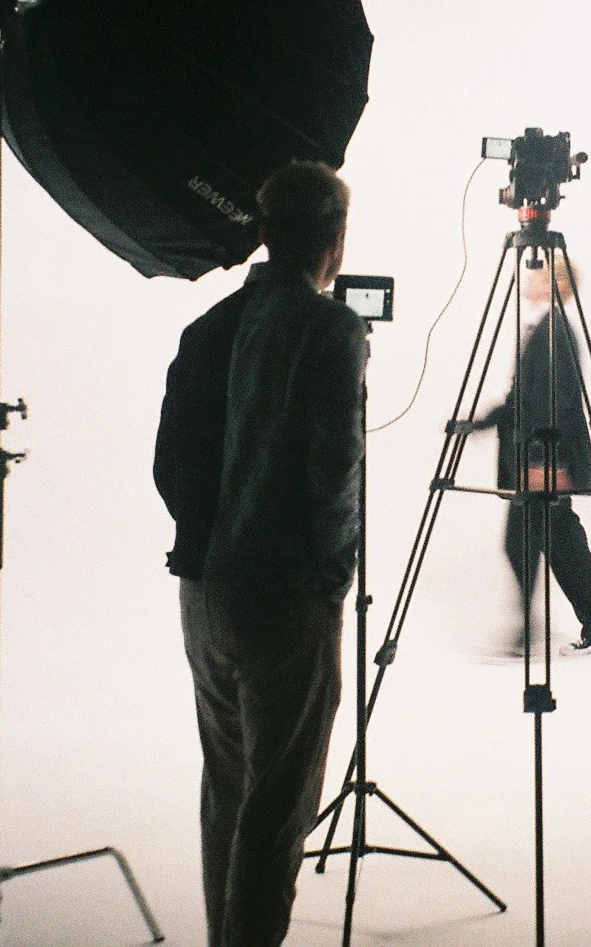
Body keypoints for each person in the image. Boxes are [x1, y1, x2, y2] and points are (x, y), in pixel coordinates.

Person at [152, 160, 365, 947]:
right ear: (333, 242)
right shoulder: (332, 330)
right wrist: (331, 579)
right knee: (279, 806)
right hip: (282, 598)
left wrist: (203, 544)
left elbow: (169, 463)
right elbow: (334, 472)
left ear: (265, 234)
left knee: (229, 788)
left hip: (201, 589)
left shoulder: (205, 329)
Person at [471, 257, 591, 657]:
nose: (527, 276)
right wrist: (481, 423)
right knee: (561, 542)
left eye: (536, 272)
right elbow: (524, 400)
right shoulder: (547, 328)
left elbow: (553, 402)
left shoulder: (554, 332)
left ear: (554, 282)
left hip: (546, 459)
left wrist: (540, 462)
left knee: (520, 540)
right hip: (545, 456)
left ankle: (530, 634)